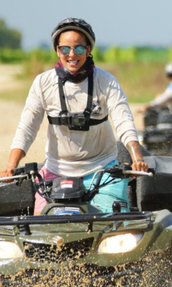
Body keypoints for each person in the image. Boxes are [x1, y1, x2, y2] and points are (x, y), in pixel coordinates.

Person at [0, 17, 148, 214]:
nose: (72, 55)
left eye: (79, 49)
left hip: (102, 170)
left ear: (88, 50)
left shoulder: (106, 82)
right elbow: (27, 127)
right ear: (57, 50)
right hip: (55, 171)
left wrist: (137, 158)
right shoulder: (43, 83)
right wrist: (11, 165)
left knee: (113, 224)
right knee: (42, 225)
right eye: (65, 49)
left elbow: (124, 122)